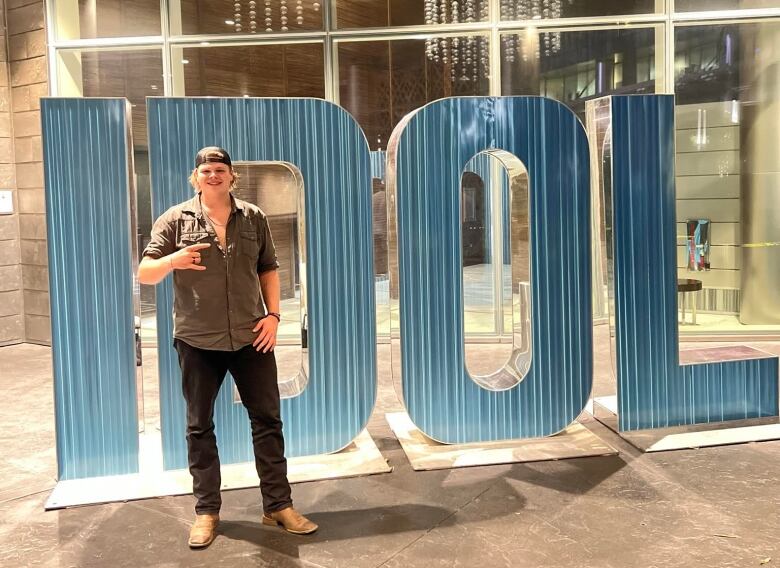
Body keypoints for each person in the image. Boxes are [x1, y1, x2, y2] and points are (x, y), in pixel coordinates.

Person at [137, 146, 317, 548]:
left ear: (232, 176)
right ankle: (206, 511)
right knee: (199, 426)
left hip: (251, 336)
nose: (213, 176)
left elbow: (268, 267)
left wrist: (273, 316)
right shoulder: (174, 219)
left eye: (220, 170)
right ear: (195, 177)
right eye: (206, 170)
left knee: (268, 422)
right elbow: (145, 272)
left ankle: (278, 506)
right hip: (197, 340)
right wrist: (173, 261)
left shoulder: (253, 217)